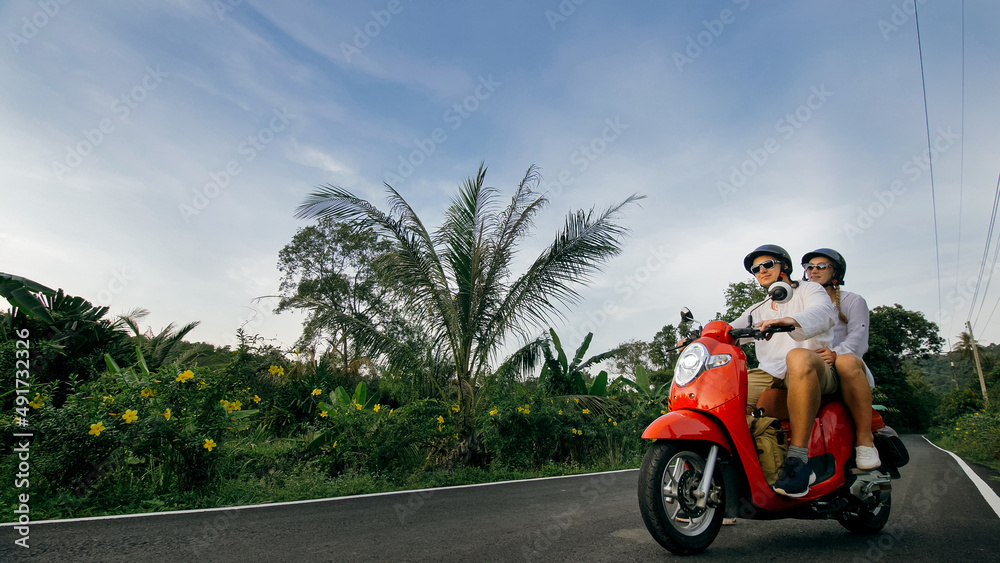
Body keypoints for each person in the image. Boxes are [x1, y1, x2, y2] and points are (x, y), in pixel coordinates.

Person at [730, 244, 837, 497]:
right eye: (756, 269)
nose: (761, 270)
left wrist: (790, 320)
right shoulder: (758, 309)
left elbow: (823, 312)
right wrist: (701, 336)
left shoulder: (809, 290)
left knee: (797, 356)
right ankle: (737, 468)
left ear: (785, 267)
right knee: (727, 393)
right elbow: (730, 329)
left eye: (767, 264)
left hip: (815, 368)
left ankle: (798, 460)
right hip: (770, 372)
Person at [802, 248, 881, 470]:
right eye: (809, 267)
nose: (813, 271)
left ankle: (865, 440)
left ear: (835, 272)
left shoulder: (853, 300)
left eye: (821, 266)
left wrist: (836, 353)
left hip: (843, 365)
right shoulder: (801, 302)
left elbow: (859, 336)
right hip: (810, 364)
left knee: (846, 361)